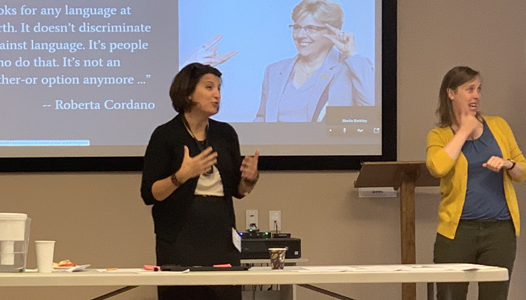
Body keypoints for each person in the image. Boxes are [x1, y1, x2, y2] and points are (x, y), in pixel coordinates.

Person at [141, 62, 260, 300]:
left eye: (218, 88)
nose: (217, 94)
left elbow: (238, 190)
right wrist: (181, 176)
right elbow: (150, 194)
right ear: (187, 92)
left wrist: (250, 179)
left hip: (221, 236)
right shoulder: (165, 135)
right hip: (180, 237)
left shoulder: (225, 134)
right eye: (209, 87)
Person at [426, 66, 525, 300]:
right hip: (457, 232)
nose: (476, 95)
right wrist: (463, 132)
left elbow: (522, 170)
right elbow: (437, 167)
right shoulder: (439, 135)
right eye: (469, 89)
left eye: (479, 89)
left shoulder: (498, 126)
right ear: (451, 93)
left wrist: (508, 164)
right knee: (450, 296)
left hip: (500, 231)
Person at [255, 0, 374, 122]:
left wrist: (351, 53)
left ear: (332, 31)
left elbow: (372, 107)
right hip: (275, 141)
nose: (300, 35)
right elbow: (262, 119)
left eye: (311, 28)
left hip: (328, 141)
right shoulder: (274, 71)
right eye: (296, 27)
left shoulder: (351, 68)